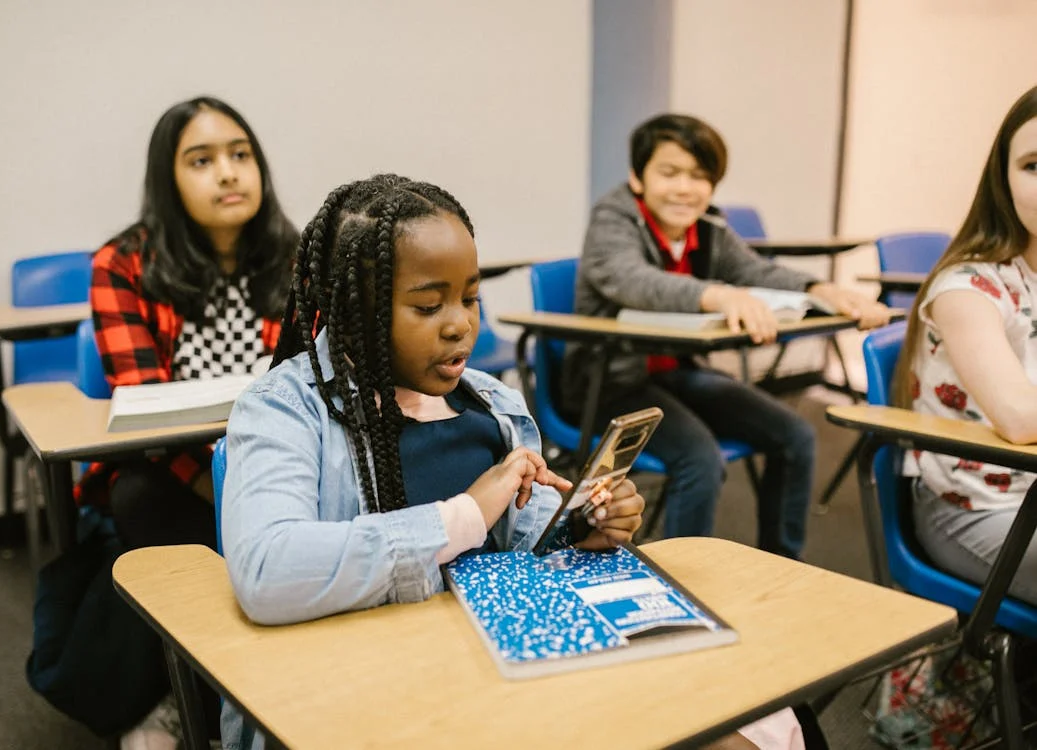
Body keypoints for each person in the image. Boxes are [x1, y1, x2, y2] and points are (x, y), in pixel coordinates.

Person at [219, 173, 808, 750]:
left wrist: (582, 527)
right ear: (354, 312)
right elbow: (269, 571)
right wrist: (465, 514)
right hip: (383, 683)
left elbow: (528, 544)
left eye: (471, 298)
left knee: (762, 709)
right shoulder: (284, 409)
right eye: (429, 306)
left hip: (505, 654)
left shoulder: (490, 401)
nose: (461, 324)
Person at [567, 113, 891, 558]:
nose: (685, 188)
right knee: (699, 459)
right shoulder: (613, 218)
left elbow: (754, 270)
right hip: (608, 383)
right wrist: (719, 296)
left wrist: (821, 289)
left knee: (795, 435)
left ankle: (782, 563)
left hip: (678, 374)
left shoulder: (709, 228)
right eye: (670, 172)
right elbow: (630, 278)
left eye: (700, 176)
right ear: (637, 177)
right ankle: (679, 581)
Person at [81, 95, 298, 749]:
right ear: (168, 179)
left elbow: (315, 389)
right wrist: (234, 493)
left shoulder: (299, 258)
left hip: (279, 460)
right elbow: (149, 412)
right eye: (201, 161)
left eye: (240, 154)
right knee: (137, 497)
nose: (228, 173)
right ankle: (187, 700)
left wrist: (271, 482)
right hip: (180, 469)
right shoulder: (122, 266)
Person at [894, 85, 1037, 605]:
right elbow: (1021, 418)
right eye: (1034, 165)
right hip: (977, 507)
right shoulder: (968, 288)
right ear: (1002, 178)